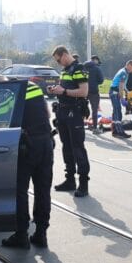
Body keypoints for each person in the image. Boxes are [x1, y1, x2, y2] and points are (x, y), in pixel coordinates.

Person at [0, 75, 55, 249]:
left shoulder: (5, 97)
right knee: (43, 189)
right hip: (46, 142)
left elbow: (1, 128)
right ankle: (41, 233)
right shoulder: (32, 86)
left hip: (25, 146)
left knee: (20, 191)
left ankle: (21, 234)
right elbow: (47, 113)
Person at [49, 45, 91, 197]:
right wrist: (56, 89)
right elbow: (64, 88)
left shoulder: (79, 69)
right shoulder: (65, 70)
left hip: (74, 113)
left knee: (78, 148)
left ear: (65, 55)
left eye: (58, 60)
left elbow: (84, 91)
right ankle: (70, 180)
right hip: (63, 112)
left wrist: (64, 91)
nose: (59, 63)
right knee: (67, 148)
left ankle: (83, 184)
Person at [108, 60, 132, 125]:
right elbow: (121, 86)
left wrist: (127, 92)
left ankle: (115, 126)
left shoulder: (125, 72)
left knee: (116, 110)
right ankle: (117, 126)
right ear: (129, 65)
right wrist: (122, 98)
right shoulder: (124, 73)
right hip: (114, 92)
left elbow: (123, 85)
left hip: (114, 91)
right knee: (117, 110)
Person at [82, 55, 104, 132]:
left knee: (82, 108)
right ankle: (95, 128)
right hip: (93, 91)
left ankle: (80, 125)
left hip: (83, 90)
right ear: (95, 60)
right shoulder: (97, 68)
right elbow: (101, 80)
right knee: (94, 110)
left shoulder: (82, 67)